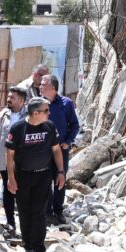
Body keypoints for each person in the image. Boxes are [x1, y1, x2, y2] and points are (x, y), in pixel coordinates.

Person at [5, 97, 65, 252]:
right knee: (24, 210)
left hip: (44, 175)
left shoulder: (49, 126)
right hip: (22, 175)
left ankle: (38, 246)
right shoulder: (18, 128)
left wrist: (60, 172)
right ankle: (27, 243)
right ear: (35, 113)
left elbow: (57, 150)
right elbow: (9, 156)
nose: (49, 113)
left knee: (39, 211)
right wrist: (11, 178)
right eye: (46, 110)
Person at [39, 74, 79, 224]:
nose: (40, 86)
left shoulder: (66, 104)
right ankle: (47, 211)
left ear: (53, 88)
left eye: (44, 84)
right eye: (41, 84)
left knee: (60, 179)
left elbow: (75, 125)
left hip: (61, 150)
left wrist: (68, 141)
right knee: (44, 180)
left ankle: (58, 211)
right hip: (43, 150)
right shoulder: (37, 104)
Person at [0, 86, 27, 230]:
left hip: (24, 162)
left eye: (12, 97)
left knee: (23, 193)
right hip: (5, 161)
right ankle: (10, 222)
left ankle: (25, 222)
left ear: (22, 101)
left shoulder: (30, 115)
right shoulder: (2, 115)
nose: (8, 99)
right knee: (8, 190)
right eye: (8, 96)